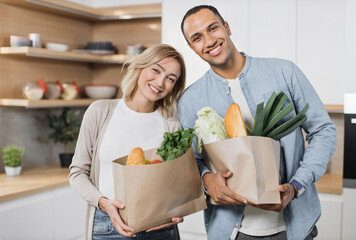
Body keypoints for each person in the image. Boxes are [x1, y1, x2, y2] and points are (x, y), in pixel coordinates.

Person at [178, 5, 336, 240]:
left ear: (227, 27)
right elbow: (192, 162)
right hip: (233, 232)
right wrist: (206, 180)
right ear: (191, 48)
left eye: (213, 28)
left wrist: (296, 185)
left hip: (295, 228)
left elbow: (323, 131)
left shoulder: (284, 72)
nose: (209, 41)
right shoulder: (190, 100)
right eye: (198, 37)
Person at [69, 44, 186, 240]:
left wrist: (177, 209)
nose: (160, 82)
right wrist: (104, 203)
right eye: (156, 70)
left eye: (170, 79)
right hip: (109, 226)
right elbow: (77, 172)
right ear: (140, 67)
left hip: (160, 229)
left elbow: (180, 183)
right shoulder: (100, 111)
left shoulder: (172, 125)